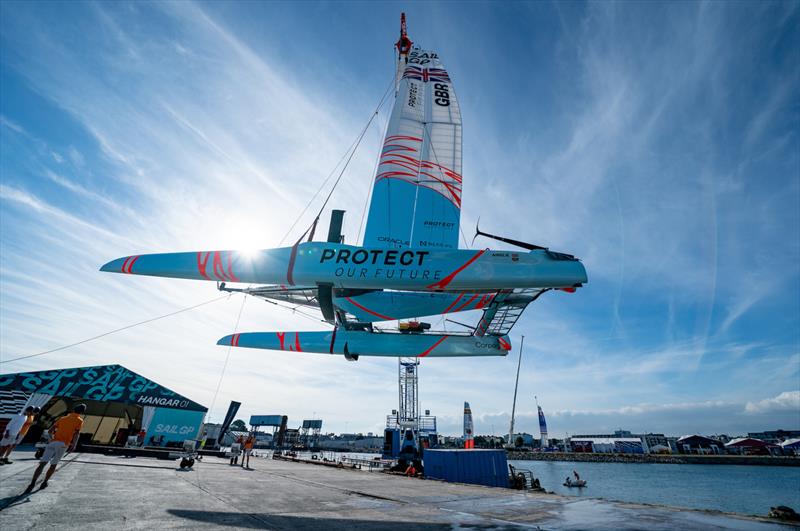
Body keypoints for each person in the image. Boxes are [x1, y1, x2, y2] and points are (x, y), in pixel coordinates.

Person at [25, 404, 85, 493]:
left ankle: (32, 483)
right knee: (53, 464)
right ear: (82, 412)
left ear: (73, 409)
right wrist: (73, 445)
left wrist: (52, 439)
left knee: (42, 464)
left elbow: (50, 431)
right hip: (63, 444)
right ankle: (44, 482)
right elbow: (76, 433)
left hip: (53, 443)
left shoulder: (63, 418)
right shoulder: (79, 421)